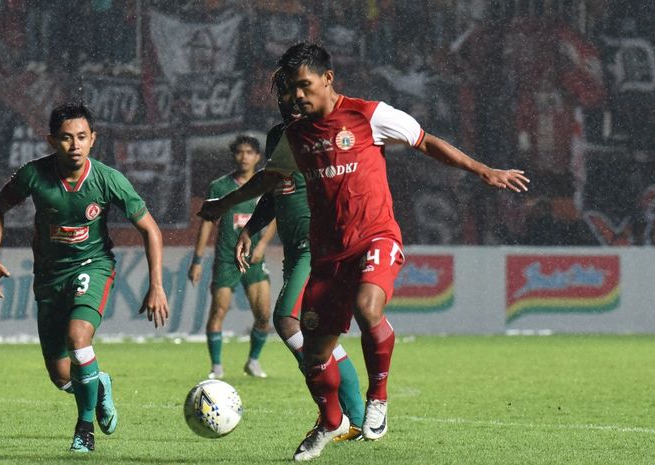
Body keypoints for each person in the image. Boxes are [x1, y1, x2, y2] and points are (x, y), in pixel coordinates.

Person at [269, 42, 529, 461]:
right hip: (328, 255)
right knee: (315, 353)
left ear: (328, 79)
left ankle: (378, 398)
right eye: (293, 88)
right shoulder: (295, 136)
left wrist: (484, 171)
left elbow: (425, 141)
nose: (298, 96)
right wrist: (225, 206)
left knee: (368, 306)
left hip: (376, 237)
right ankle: (330, 420)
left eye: (305, 86)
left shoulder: (370, 114)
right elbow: (272, 177)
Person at [0, 101, 170, 453]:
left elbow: (150, 229)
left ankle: (84, 430)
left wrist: (156, 284)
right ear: (52, 140)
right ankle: (98, 384)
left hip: (93, 267)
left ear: (93, 139)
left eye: (82, 137)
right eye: (67, 138)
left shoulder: (107, 179)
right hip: (49, 276)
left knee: (78, 337)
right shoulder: (33, 175)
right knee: (61, 375)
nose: (75, 145)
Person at [199, 70, 366, 441]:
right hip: (295, 249)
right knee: (316, 334)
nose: (291, 101)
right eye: (284, 96)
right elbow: (274, 192)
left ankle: (337, 412)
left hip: (318, 246)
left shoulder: (321, 134)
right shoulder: (279, 136)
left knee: (285, 320)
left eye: (297, 92)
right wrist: (249, 228)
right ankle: (355, 416)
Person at [188, 135, 275, 379]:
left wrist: (262, 246)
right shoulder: (220, 187)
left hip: (255, 260)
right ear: (234, 156)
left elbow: (274, 217)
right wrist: (197, 260)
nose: (244, 157)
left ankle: (253, 361)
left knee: (264, 316)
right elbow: (207, 223)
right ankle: (216, 367)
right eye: (239, 152)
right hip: (227, 259)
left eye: (249, 152)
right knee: (218, 312)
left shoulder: (266, 183)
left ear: (258, 157)